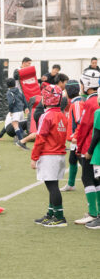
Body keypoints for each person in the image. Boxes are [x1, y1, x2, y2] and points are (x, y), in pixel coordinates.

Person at [31, 84, 68, 227]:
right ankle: (51, 213)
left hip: (49, 155)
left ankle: (59, 217)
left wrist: (34, 157)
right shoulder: (62, 115)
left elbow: (40, 138)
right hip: (59, 154)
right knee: (53, 186)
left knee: (52, 186)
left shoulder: (46, 116)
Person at [75, 69, 100, 227]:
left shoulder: (90, 103)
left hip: (90, 147)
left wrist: (79, 147)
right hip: (95, 147)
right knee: (96, 179)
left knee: (87, 178)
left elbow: (84, 127)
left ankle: (93, 213)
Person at [60, 80, 84, 192]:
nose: (64, 93)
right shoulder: (75, 103)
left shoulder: (77, 104)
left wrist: (76, 136)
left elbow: (80, 122)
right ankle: (71, 184)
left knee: (84, 163)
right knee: (72, 160)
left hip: (78, 140)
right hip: (75, 140)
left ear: (70, 91)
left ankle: (94, 184)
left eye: (65, 90)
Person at [6, 78, 29, 150]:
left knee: (15, 126)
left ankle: (22, 142)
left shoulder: (9, 92)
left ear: (7, 85)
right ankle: (23, 142)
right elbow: (24, 98)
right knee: (19, 126)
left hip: (15, 111)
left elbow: (10, 102)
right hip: (21, 111)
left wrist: (11, 111)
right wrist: (26, 107)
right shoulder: (18, 90)